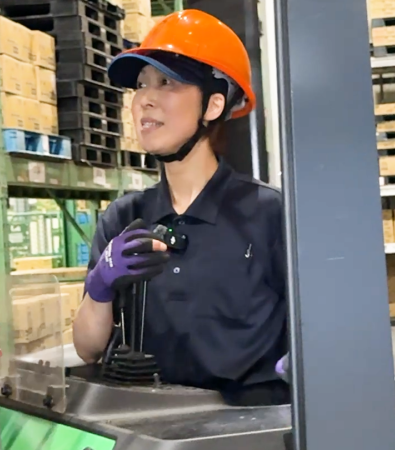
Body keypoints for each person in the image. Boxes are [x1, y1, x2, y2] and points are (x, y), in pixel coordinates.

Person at [72, 9, 289, 406]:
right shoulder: (124, 218)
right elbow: (88, 349)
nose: (144, 100)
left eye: (166, 83)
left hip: (250, 426)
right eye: (141, 85)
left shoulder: (269, 215)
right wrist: (100, 287)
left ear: (213, 105)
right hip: (155, 423)